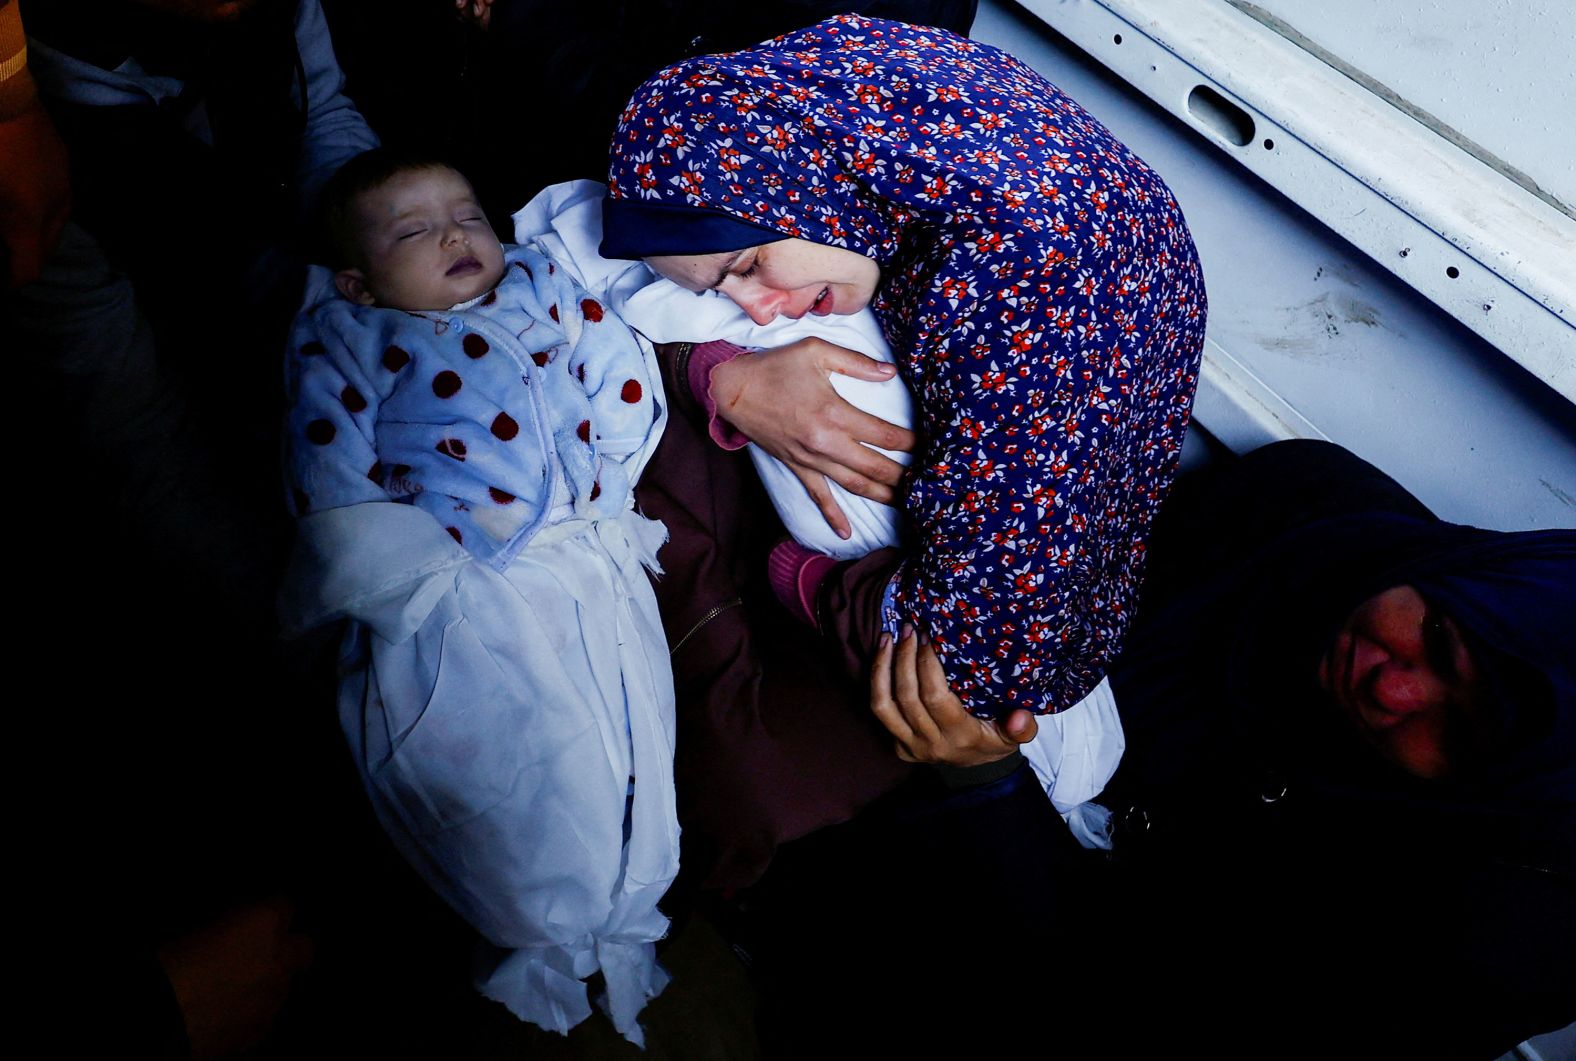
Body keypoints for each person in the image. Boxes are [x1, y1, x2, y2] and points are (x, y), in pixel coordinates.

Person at [838, 439, 1576, 1056]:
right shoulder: (1302, 507)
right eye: (1441, 639)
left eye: (1457, 734)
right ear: (1480, 573)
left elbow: (1128, 1008)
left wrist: (988, 785)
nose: (1394, 692)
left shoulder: (1494, 939)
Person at [601, 14, 1206, 722]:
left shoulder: (1009, 279)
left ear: (794, 182)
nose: (759, 313)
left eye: (747, 266)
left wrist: (826, 589)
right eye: (721, 292)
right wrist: (712, 367)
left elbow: (985, 658)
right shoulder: (899, 105)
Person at [279, 151, 676, 1044]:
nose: (455, 234)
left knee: (625, 720)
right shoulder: (353, 335)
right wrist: (395, 570)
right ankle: (535, 916)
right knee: (513, 747)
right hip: (462, 580)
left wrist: (614, 479)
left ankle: (627, 889)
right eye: (414, 231)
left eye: (466, 213)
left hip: (581, 548)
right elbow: (328, 461)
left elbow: (613, 361)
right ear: (361, 280)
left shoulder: (538, 284)